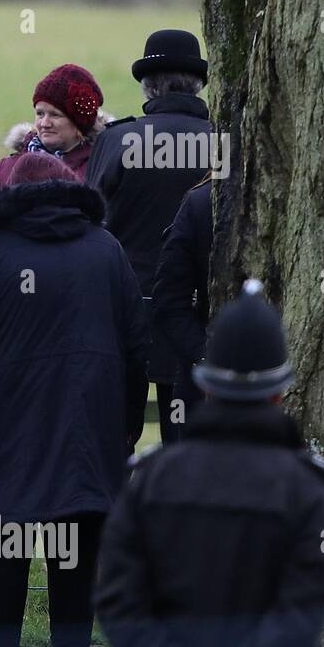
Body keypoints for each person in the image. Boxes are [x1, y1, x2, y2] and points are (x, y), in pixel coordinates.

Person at [0, 152, 149, 647]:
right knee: (75, 552)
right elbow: (136, 348)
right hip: (90, 431)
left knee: (4, 552)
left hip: (6, 431)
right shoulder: (106, 251)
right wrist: (124, 430)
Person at [97, 282, 324, 647]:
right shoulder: (308, 489)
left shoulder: (152, 480)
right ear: (279, 392)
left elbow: (118, 599)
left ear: (207, 388)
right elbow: (301, 612)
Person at [86, 30, 215, 440]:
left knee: (111, 443)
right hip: (201, 318)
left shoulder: (116, 140)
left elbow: (90, 225)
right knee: (188, 449)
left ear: (147, 85)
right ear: (197, 84)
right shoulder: (223, 142)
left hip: (124, 311)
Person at [0, 64, 107, 212]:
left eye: (55, 115)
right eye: (40, 114)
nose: (44, 123)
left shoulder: (99, 170)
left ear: (79, 124)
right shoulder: (6, 167)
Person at [151, 176, 214, 436]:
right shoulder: (202, 202)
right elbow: (169, 300)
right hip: (206, 389)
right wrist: (205, 357)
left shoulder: (200, 201)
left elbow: (168, 299)